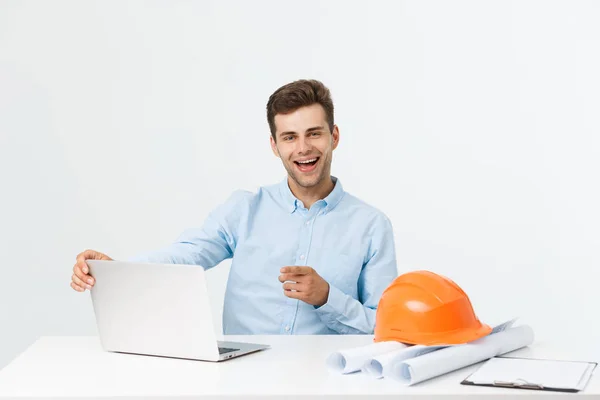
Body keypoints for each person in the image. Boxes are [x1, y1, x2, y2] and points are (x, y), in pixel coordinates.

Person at [70, 79, 398, 335]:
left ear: (334, 136)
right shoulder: (244, 209)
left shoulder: (371, 226)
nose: (303, 149)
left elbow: (382, 326)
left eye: (314, 133)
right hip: (244, 378)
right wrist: (118, 268)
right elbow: (187, 254)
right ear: (274, 145)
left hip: (326, 379)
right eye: (289, 137)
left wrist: (327, 298)